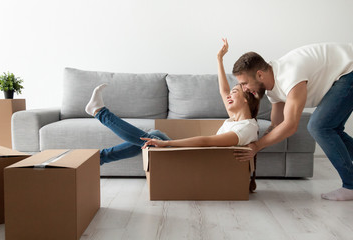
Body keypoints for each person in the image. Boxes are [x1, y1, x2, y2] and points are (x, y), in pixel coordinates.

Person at [84, 39, 263, 167]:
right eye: (230, 93)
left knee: (155, 138)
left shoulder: (245, 128)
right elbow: (223, 90)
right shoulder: (236, 120)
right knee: (155, 136)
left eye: (235, 92)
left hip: (201, 166)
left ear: (247, 99)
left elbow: (207, 141)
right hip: (199, 160)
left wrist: (167, 144)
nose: (228, 96)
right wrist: (219, 59)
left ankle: (100, 114)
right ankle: (100, 153)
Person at [230, 41, 353, 201]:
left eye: (244, 83)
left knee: (319, 127)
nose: (244, 89)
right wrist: (253, 141)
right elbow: (277, 124)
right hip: (344, 73)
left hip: (349, 69)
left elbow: (290, 126)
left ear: (260, 74)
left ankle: (351, 185)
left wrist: (257, 146)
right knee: (331, 129)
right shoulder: (272, 89)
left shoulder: (290, 76)